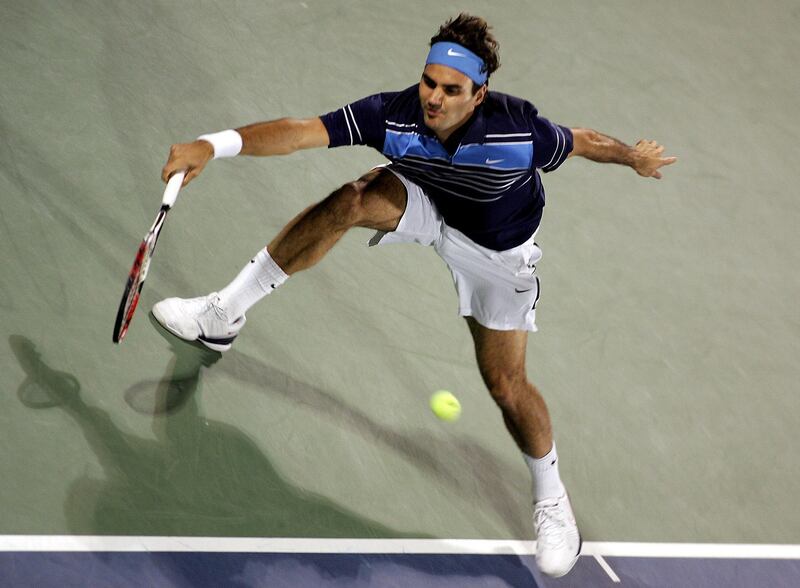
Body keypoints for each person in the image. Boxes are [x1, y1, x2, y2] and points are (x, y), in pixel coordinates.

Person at [155, 13, 676, 578]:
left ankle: (552, 501)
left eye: (451, 90)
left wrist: (632, 157)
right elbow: (303, 131)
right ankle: (222, 314)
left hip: (496, 252)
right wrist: (216, 144)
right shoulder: (393, 113)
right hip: (425, 201)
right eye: (429, 82)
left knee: (506, 385)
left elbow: (580, 142)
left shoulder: (518, 132)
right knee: (351, 199)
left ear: (479, 95)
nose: (433, 97)